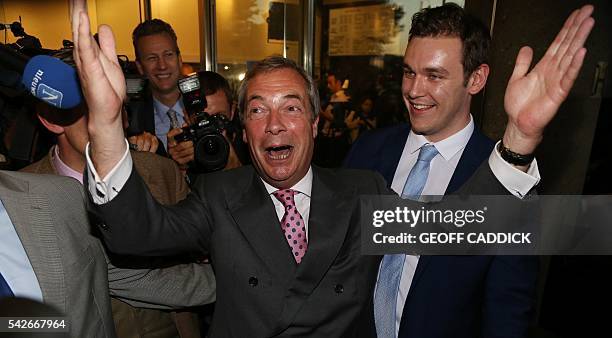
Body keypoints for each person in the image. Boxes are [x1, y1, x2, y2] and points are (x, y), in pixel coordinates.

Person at [68, 0, 593, 335]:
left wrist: (520, 137)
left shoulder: (361, 189)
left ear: (316, 124)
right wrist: (108, 125)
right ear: (242, 129)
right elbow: (137, 231)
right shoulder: (219, 197)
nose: (275, 125)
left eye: (291, 108)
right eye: (257, 110)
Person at [344, 4, 542, 337]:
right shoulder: (368, 151)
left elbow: (507, 311)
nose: (414, 90)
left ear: (475, 79)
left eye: (434, 75)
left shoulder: (507, 180)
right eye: (409, 72)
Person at [21, 100, 214, 338]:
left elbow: (205, 259)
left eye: (118, 106)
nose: (114, 119)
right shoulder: (17, 195)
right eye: (95, 107)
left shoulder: (161, 171)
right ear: (52, 120)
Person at [166, 71, 245, 176]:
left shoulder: (249, 146)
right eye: (200, 118)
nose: (209, 125)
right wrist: (178, 169)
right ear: (186, 117)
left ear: (232, 111)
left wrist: (237, 169)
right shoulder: (186, 147)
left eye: (218, 117)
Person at [129, 18, 186, 155]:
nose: (162, 65)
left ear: (179, 60)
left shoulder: (206, 106)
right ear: (140, 67)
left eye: (168, 55)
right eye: (152, 58)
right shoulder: (131, 121)